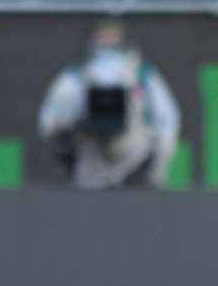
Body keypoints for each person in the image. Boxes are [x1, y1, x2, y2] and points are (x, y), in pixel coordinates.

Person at [38, 20, 180, 189]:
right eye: (104, 36)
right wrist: (66, 128)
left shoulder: (143, 75)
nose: (108, 43)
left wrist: (156, 168)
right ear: (94, 39)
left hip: (136, 156)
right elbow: (50, 122)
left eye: (112, 36)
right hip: (89, 156)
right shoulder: (74, 78)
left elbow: (168, 119)